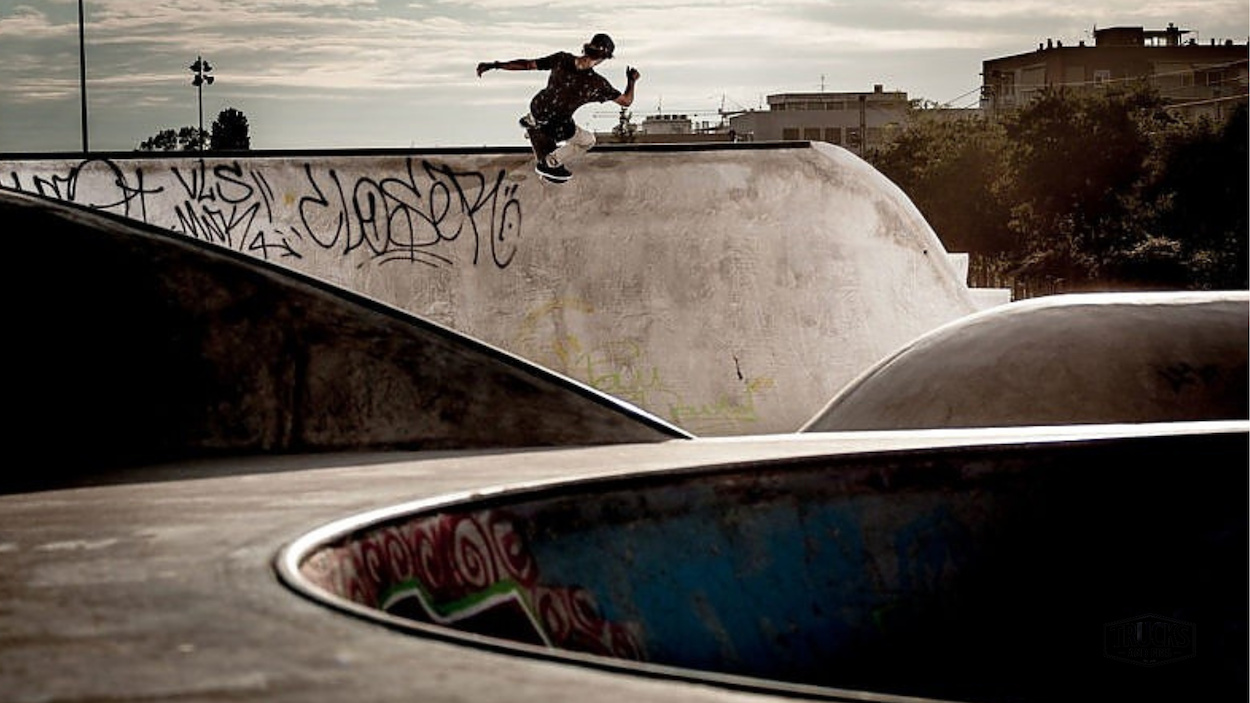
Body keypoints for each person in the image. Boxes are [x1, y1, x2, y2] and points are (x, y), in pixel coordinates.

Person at [477, 33, 640, 182]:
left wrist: (495, 65)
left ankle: (533, 120)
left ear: (587, 47)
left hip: (537, 107)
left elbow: (527, 65)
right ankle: (551, 162)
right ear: (603, 59)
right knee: (588, 141)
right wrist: (631, 81)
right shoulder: (597, 84)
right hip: (558, 125)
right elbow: (626, 101)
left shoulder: (561, 59)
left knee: (550, 108)